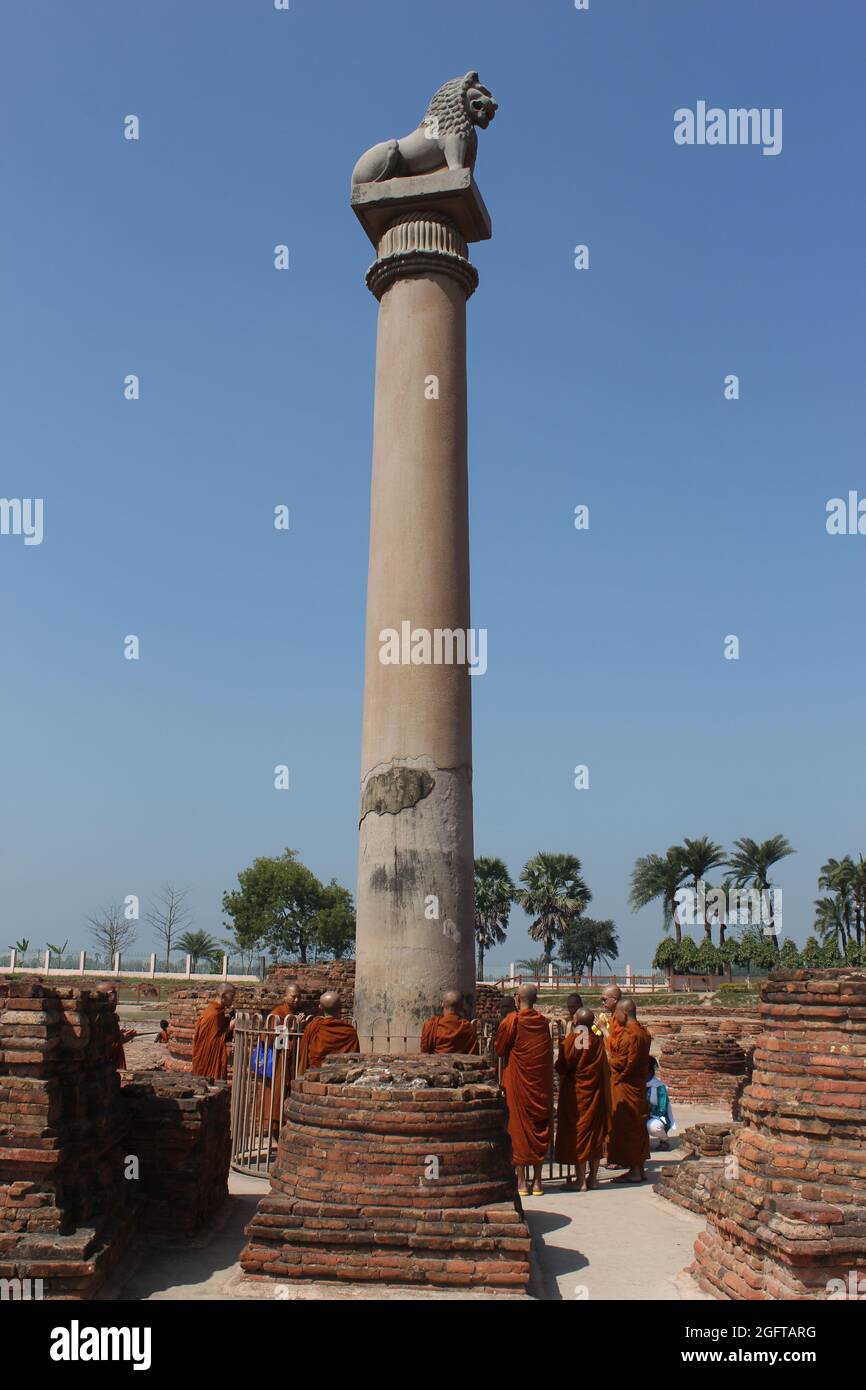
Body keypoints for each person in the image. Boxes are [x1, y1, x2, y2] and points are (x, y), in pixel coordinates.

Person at [495, 983, 554, 1198]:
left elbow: (500, 1049)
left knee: (518, 1129)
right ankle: (537, 1182)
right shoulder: (543, 1023)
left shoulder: (513, 1021)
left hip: (519, 1083)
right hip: (539, 1084)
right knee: (539, 1127)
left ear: (518, 999)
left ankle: (521, 1181)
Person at [554, 1007, 609, 1190]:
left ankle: (580, 1181)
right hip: (594, 1092)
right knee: (594, 1136)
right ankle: (592, 1178)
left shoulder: (581, 1038)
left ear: (577, 1021)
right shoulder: (595, 1039)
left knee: (580, 1134)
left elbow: (567, 1063)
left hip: (579, 1094)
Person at [607, 1000, 652, 1183]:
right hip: (638, 1086)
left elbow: (622, 1063)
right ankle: (638, 1167)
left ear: (624, 1014)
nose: (615, 1018)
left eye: (616, 1014)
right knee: (637, 1126)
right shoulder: (644, 1032)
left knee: (627, 1127)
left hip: (625, 1085)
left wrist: (607, 1058)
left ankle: (634, 1169)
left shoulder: (629, 1035)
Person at [259, 984, 307, 1125]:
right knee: (276, 1094)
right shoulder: (277, 1013)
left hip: (293, 1061)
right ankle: (274, 1122)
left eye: (299, 996)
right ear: (285, 996)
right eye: (293, 996)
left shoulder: (300, 1013)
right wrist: (293, 1027)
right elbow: (271, 1038)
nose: (297, 1000)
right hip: (279, 1060)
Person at [297, 991, 359, 1075]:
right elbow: (354, 1058)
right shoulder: (349, 1031)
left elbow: (302, 1051)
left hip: (316, 1075)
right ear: (340, 1008)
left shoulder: (313, 1026)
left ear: (320, 1007)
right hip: (341, 1076)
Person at [191, 984, 236, 1081]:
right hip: (207, 1059)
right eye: (231, 997)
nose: (232, 1000)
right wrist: (231, 1025)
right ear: (223, 995)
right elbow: (214, 1041)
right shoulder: (214, 1014)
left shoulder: (217, 1011)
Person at [96, 981, 136, 1069]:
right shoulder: (97, 1018)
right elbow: (98, 1046)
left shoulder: (110, 1016)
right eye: (111, 994)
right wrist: (119, 1039)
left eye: (115, 995)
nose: (115, 999)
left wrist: (119, 1035)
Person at [646, 1056, 675, 1150]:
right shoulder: (637, 1084)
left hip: (656, 1116)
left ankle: (664, 1140)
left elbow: (662, 1109)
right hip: (641, 1115)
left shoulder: (659, 1087)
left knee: (653, 1126)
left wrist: (647, 1109)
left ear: (650, 1072)